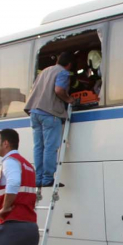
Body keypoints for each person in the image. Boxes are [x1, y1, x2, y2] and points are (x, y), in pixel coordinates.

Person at [24, 52, 73, 188]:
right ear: (69, 65)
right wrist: (69, 99)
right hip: (50, 113)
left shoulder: (44, 71)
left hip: (34, 112)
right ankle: (47, 179)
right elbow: (58, 90)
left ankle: (38, 178)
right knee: (50, 147)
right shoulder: (63, 72)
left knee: (39, 147)